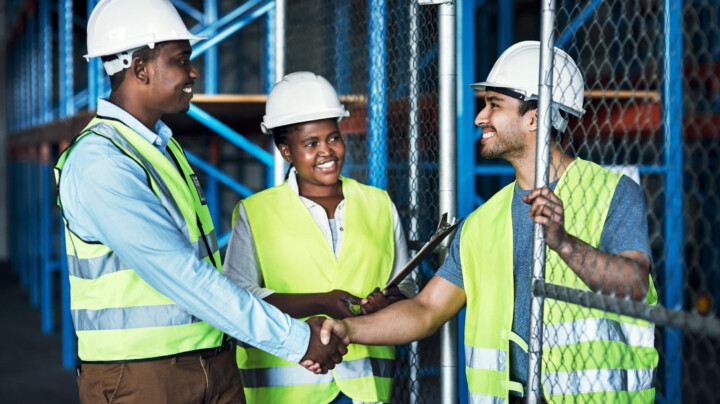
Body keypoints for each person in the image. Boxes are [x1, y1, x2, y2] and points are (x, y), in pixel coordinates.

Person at [320, 41, 659, 403]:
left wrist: (562, 242)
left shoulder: (611, 192)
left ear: (534, 116)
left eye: (494, 105)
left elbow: (635, 286)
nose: (481, 117)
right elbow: (427, 309)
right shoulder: (482, 222)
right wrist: (347, 329)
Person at [55, 2, 346, 403]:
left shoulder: (162, 147)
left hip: (212, 361)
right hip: (144, 378)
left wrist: (297, 320)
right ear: (140, 67)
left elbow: (204, 270)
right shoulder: (100, 162)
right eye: (181, 60)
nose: (193, 72)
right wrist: (297, 341)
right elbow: (180, 274)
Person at [223, 71, 416, 404]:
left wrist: (385, 303)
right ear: (286, 151)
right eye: (311, 144)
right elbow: (238, 298)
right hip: (287, 394)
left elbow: (409, 290)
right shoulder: (255, 212)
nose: (327, 151)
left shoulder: (378, 204)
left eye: (334, 138)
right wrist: (322, 300)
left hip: (365, 390)